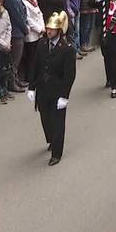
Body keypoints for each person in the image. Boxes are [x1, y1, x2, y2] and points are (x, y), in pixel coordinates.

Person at [25, 12, 76, 165]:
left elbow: (69, 75)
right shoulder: (41, 44)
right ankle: (51, 139)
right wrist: (31, 87)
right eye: (47, 29)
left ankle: (57, 153)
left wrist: (65, 96)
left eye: (52, 29)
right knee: (45, 118)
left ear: (59, 30)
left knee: (58, 122)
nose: (48, 31)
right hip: (42, 88)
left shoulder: (67, 49)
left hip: (57, 90)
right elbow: (34, 65)